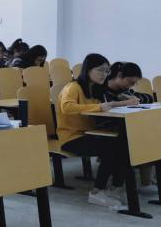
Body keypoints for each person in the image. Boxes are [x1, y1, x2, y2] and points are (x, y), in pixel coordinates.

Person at [57, 53, 139, 207]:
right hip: (71, 137)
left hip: (90, 134)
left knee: (123, 143)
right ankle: (97, 192)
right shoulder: (73, 87)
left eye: (107, 71)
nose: (104, 74)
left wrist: (119, 102)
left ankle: (115, 188)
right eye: (101, 70)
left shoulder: (96, 89)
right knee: (111, 147)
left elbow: (104, 107)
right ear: (88, 69)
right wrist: (100, 106)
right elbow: (67, 107)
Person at [103, 62, 161, 186]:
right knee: (146, 135)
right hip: (111, 127)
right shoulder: (102, 90)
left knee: (152, 131)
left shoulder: (124, 90)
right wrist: (122, 103)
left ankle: (158, 173)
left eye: (134, 83)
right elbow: (104, 110)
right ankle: (152, 178)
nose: (131, 85)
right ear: (119, 75)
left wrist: (137, 100)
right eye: (130, 82)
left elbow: (149, 98)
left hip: (130, 125)